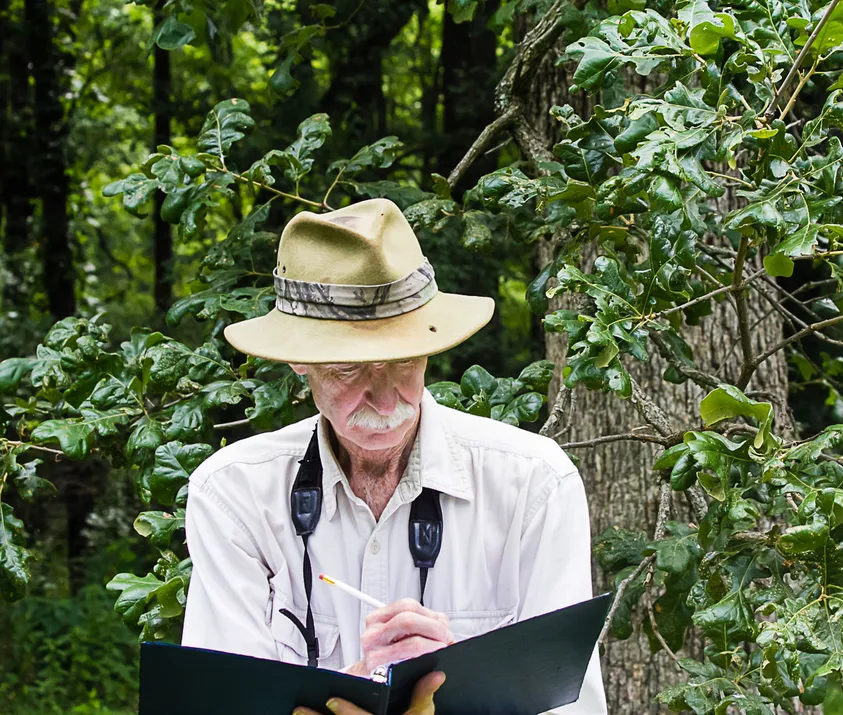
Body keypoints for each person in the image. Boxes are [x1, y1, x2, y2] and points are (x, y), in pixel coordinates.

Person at [180, 197, 607, 715]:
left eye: (404, 361)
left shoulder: (533, 486)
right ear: (298, 360)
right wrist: (356, 687)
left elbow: (572, 708)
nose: (385, 400)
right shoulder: (235, 497)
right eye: (347, 369)